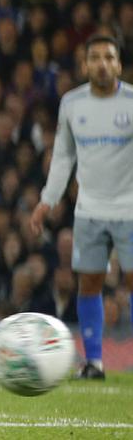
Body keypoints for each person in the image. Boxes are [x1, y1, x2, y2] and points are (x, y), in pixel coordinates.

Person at [31, 34, 133, 381]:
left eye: (109, 57)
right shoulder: (72, 104)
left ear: (118, 64)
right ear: (85, 64)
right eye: (95, 58)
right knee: (89, 283)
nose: (102, 64)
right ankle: (94, 362)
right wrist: (47, 201)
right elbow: (62, 157)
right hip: (89, 210)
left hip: (129, 209)